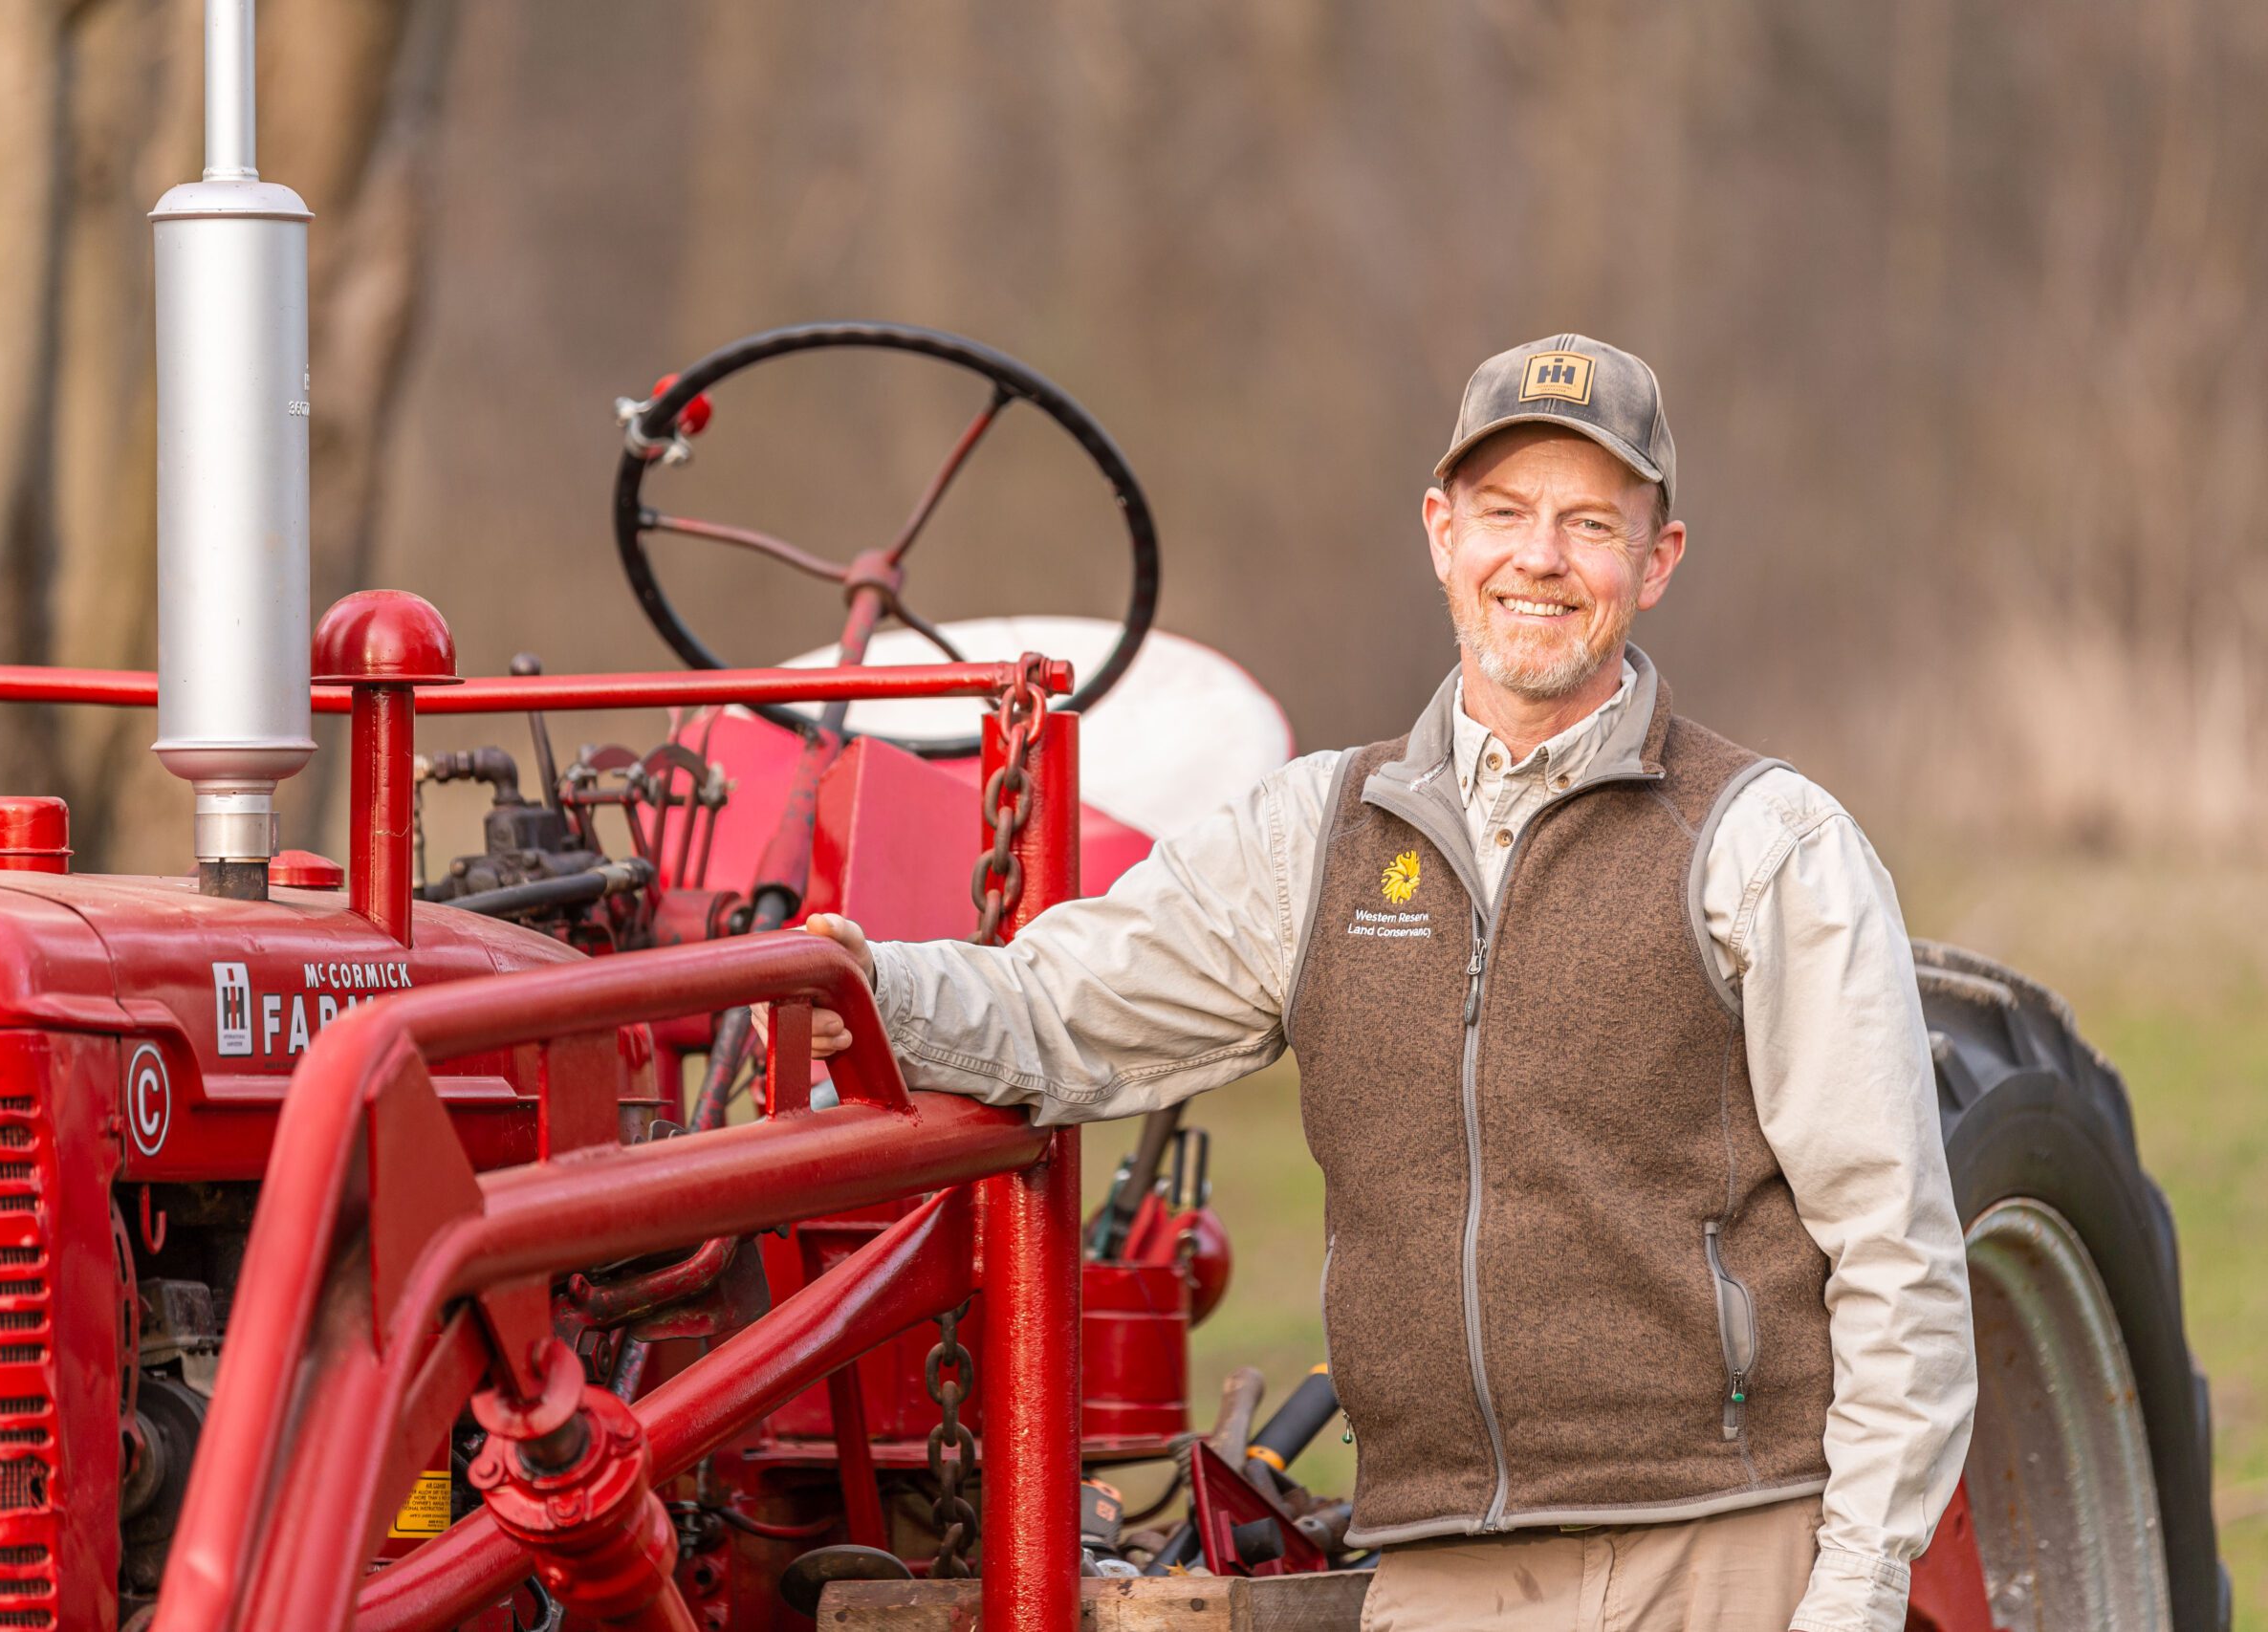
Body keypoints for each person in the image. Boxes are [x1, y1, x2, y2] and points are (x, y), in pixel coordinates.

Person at [793, 334, 1974, 1632]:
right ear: (1439, 531)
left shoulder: (1766, 842)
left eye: (1591, 524)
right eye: (1506, 514)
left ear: (1658, 559)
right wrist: (861, 985)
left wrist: (1855, 1593)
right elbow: (1058, 1010)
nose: (1540, 558)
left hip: (1719, 1549)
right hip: (1436, 1560)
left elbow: (1896, 1248)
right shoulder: (1316, 832)